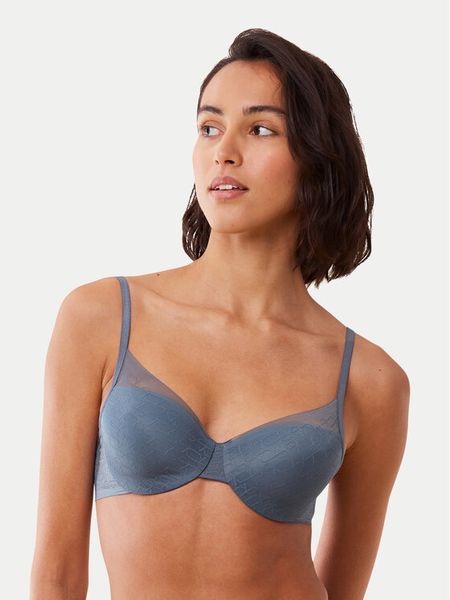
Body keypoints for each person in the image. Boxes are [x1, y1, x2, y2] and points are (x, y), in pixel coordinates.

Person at [30, 27, 410, 600]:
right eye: (209, 127)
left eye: (260, 129)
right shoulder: (101, 317)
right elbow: (56, 576)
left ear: (317, 157)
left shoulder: (370, 381)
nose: (223, 151)